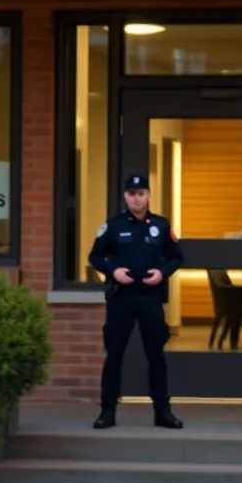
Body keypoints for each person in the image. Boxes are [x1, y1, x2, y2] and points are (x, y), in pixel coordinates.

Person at [89, 173, 185, 431]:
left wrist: (162, 273)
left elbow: (176, 257)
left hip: (150, 299)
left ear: (149, 195)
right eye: (132, 194)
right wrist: (113, 271)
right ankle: (107, 411)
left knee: (156, 355)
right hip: (122, 298)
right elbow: (95, 256)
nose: (137, 199)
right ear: (125, 196)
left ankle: (162, 411)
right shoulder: (114, 226)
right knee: (115, 354)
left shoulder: (161, 226)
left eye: (141, 193)